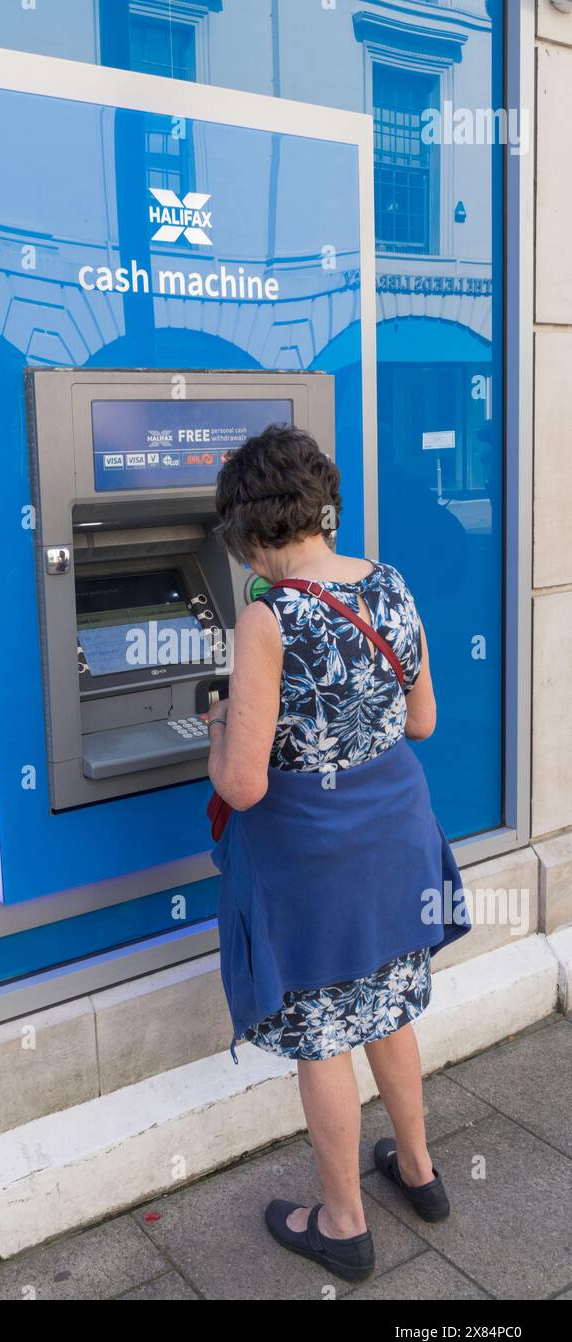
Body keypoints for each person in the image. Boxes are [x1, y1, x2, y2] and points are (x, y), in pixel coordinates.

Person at [204, 424, 471, 1284]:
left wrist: (216, 731)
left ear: (248, 527)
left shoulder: (264, 615)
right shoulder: (387, 583)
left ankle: (343, 1221)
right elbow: (422, 721)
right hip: (394, 835)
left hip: (314, 861)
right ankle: (421, 1175)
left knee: (325, 1034)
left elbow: (242, 786)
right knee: (390, 1006)